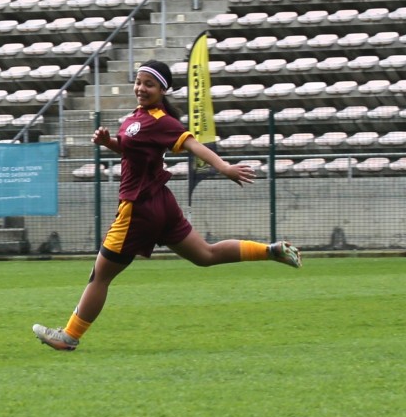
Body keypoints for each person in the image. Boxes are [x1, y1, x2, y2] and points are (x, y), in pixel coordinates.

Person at [32, 59, 301, 352]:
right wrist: (110, 142)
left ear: (162, 89)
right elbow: (132, 148)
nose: (141, 88)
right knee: (205, 255)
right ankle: (270, 251)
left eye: (149, 84)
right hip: (162, 204)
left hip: (138, 208)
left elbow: (193, 145)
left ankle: (69, 336)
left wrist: (223, 167)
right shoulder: (137, 118)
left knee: (100, 276)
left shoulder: (162, 120)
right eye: (138, 82)